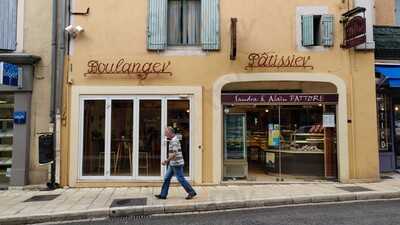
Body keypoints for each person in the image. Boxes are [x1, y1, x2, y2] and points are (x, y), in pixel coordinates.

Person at [155, 127, 197, 200]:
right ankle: (163, 195)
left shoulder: (174, 141)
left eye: (166, 133)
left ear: (170, 133)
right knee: (167, 178)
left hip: (177, 163)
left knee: (180, 179)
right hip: (173, 163)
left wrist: (166, 161)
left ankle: (191, 192)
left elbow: (174, 154)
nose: (165, 134)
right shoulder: (173, 139)